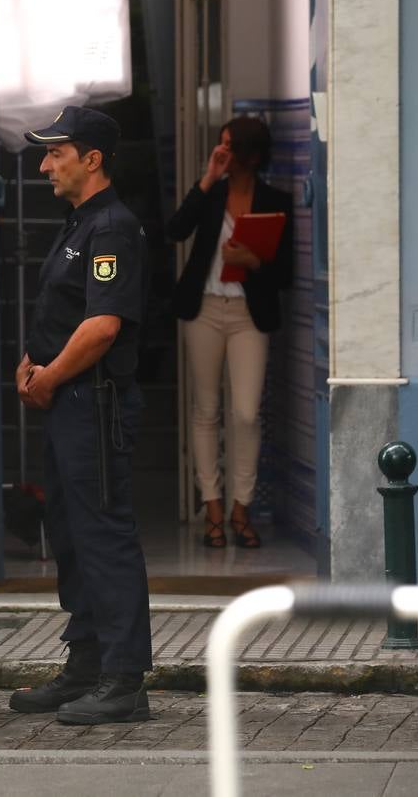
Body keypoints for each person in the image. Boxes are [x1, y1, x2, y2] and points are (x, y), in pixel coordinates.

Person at [8, 105, 153, 725]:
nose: (44, 164)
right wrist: (30, 363)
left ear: (91, 159)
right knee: (69, 534)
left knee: (104, 538)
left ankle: (125, 679)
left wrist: (52, 374)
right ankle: (87, 663)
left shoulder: (113, 228)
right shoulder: (78, 224)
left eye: (55, 153)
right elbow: (65, 312)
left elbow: (102, 326)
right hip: (66, 401)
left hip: (93, 404)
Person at [166, 116, 293, 549]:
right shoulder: (211, 192)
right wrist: (206, 178)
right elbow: (174, 230)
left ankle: (243, 506)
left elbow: (285, 272)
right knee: (206, 409)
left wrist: (254, 262)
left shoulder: (275, 200)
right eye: (219, 144)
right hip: (202, 308)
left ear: (251, 156)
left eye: (229, 148)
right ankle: (213, 507)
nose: (222, 152)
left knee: (245, 413)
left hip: (247, 314)